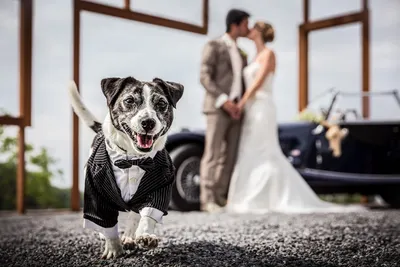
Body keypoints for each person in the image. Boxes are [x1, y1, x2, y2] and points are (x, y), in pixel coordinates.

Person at [225, 21, 366, 214]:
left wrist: (241, 103)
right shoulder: (252, 57)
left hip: (263, 107)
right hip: (250, 109)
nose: (249, 30)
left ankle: (267, 197)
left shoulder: (269, 54)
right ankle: (247, 196)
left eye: (253, 27)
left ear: (259, 32)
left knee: (265, 149)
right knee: (249, 149)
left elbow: (258, 82)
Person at [199, 9, 250, 212]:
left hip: (237, 110)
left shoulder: (242, 52)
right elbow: (204, 76)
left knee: (229, 156)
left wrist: (239, 105)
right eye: (246, 23)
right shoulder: (214, 45)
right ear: (235, 25)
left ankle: (220, 198)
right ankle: (207, 200)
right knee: (212, 153)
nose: (248, 28)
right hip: (218, 108)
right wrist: (224, 101)